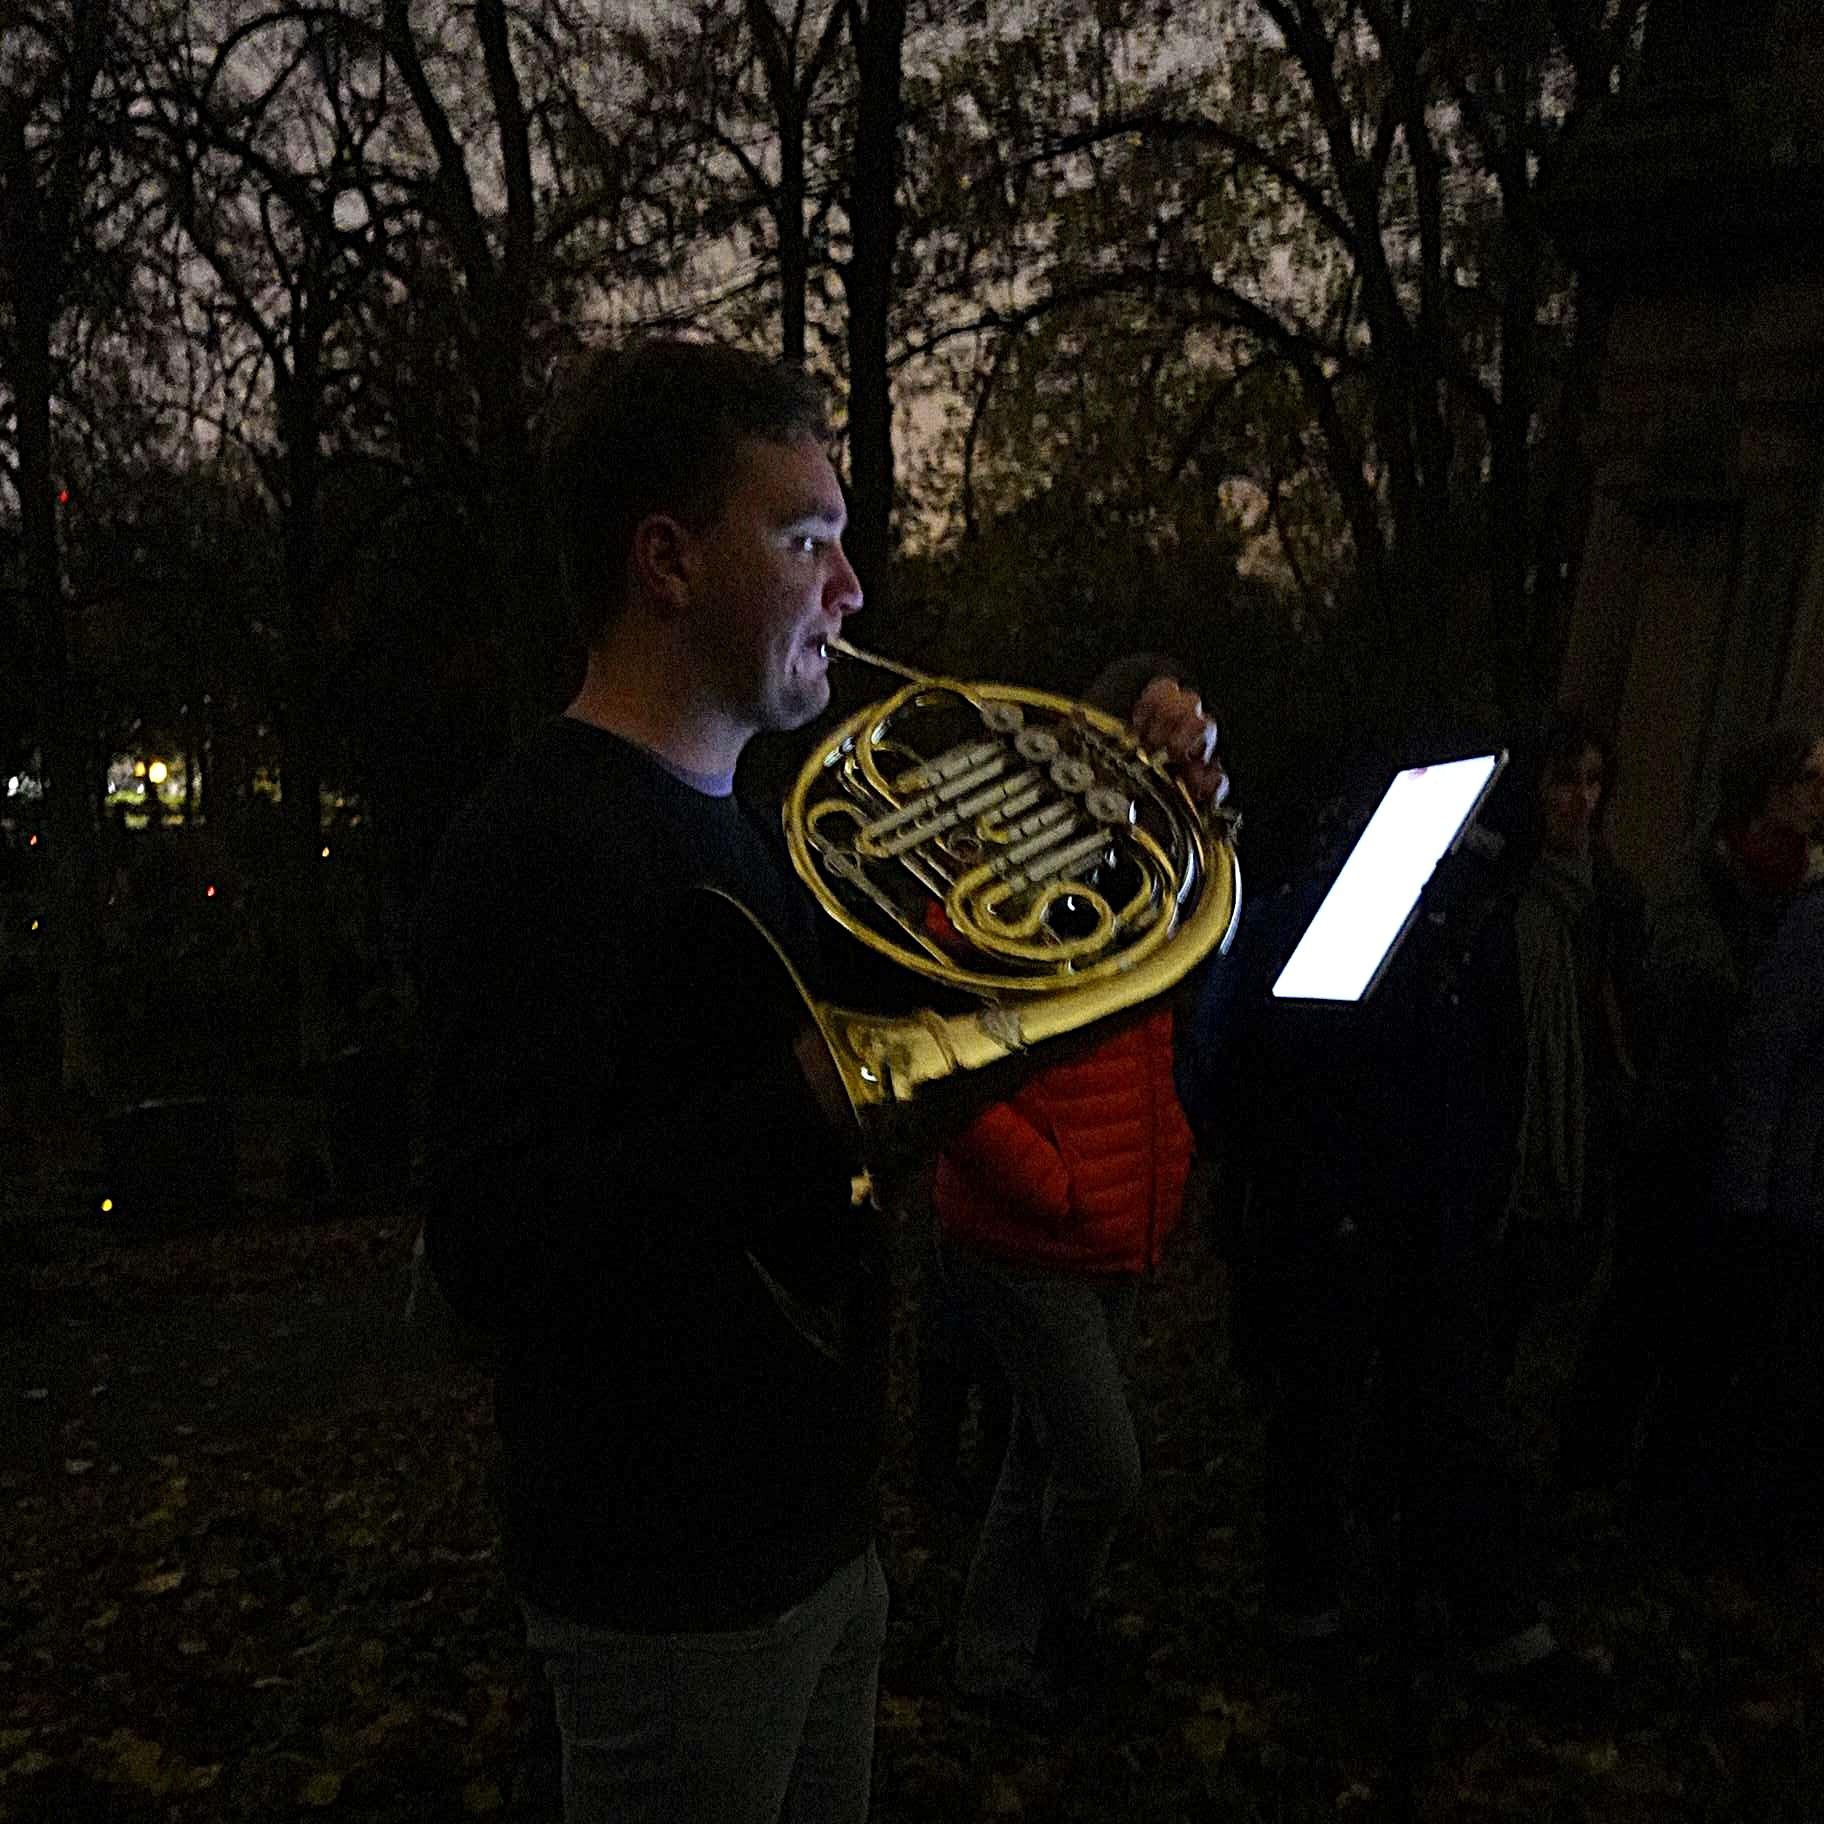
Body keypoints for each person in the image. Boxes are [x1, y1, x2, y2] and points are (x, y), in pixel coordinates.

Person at [413, 336, 1224, 1822]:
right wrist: (799, 1101)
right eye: (808, 541)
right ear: (667, 561)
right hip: (670, 1582)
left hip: (814, 1536)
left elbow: (878, 1099)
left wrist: (1121, 849)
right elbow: (487, 1249)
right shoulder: (530, 846)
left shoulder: (767, 828)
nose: (852, 592)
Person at [933, 653, 1220, 1729]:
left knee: (1042, 1454)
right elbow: (950, 1061)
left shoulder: (1157, 864)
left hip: (1108, 1213)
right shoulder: (1007, 862)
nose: (1179, 750)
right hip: (1033, 1226)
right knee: (1102, 1468)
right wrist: (1047, 1182)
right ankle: (1056, 1632)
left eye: (1192, 729)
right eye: (1157, 731)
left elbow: (1197, 1010)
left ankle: (997, 1659)